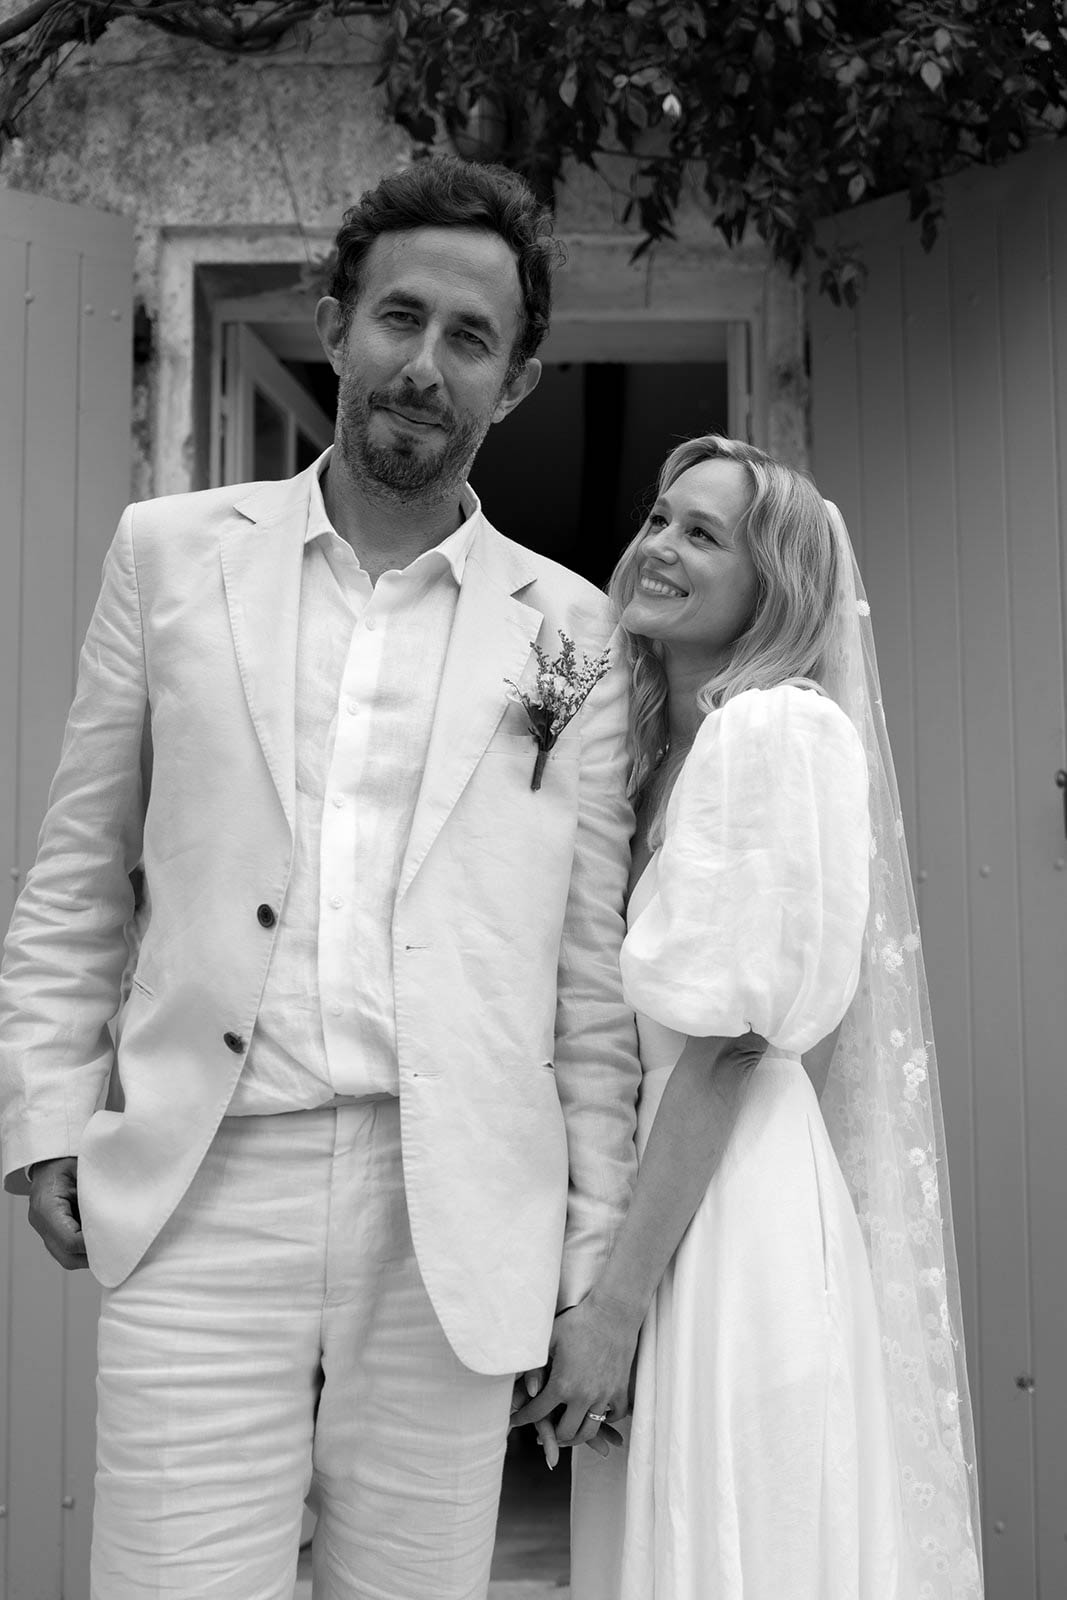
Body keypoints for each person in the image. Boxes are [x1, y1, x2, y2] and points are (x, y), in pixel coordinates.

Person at [0, 154, 641, 1600]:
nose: (424, 365)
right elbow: (76, 872)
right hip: (205, 1179)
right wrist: (45, 1113)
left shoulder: (576, 631)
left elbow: (587, 980)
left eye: (469, 340)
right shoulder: (169, 558)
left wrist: (592, 1249)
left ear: (516, 379)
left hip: (455, 1209)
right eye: (398, 318)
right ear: (335, 321)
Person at [513, 436, 984, 1598]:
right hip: (673, 1194)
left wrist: (613, 1307)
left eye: (701, 533)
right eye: (660, 518)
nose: (657, 545)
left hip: (728, 1209)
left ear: (768, 585)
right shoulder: (660, 750)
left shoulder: (771, 732)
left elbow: (726, 1044)